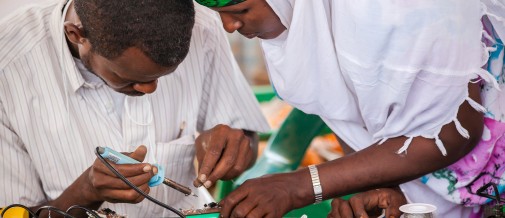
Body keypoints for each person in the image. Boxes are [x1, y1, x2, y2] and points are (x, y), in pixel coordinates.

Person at [195, 0, 505, 217]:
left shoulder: (401, 9)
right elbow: (344, 110)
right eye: (220, 13)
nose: (229, 25)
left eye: (241, 10)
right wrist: (381, 190)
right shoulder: (313, 19)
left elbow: (453, 131)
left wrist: (299, 186)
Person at [0, 0, 270, 217]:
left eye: (164, 76)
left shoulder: (202, 27)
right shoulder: (9, 66)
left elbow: (246, 138)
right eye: (131, 78)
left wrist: (234, 149)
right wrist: (86, 192)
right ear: (77, 34)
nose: (150, 90)